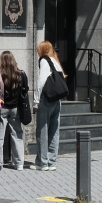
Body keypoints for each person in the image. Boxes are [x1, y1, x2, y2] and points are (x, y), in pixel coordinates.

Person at [33, 42, 67, 171]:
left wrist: (36, 101)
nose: (37, 52)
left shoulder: (44, 61)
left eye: (38, 50)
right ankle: (52, 162)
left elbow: (41, 82)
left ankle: (42, 163)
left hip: (46, 99)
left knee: (42, 131)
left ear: (42, 50)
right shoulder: (55, 60)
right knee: (54, 131)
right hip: (57, 100)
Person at [0, 51, 28, 170]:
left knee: (0, 136)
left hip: (2, 108)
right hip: (15, 108)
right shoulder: (20, 74)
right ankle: (19, 163)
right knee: (17, 134)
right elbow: (25, 90)